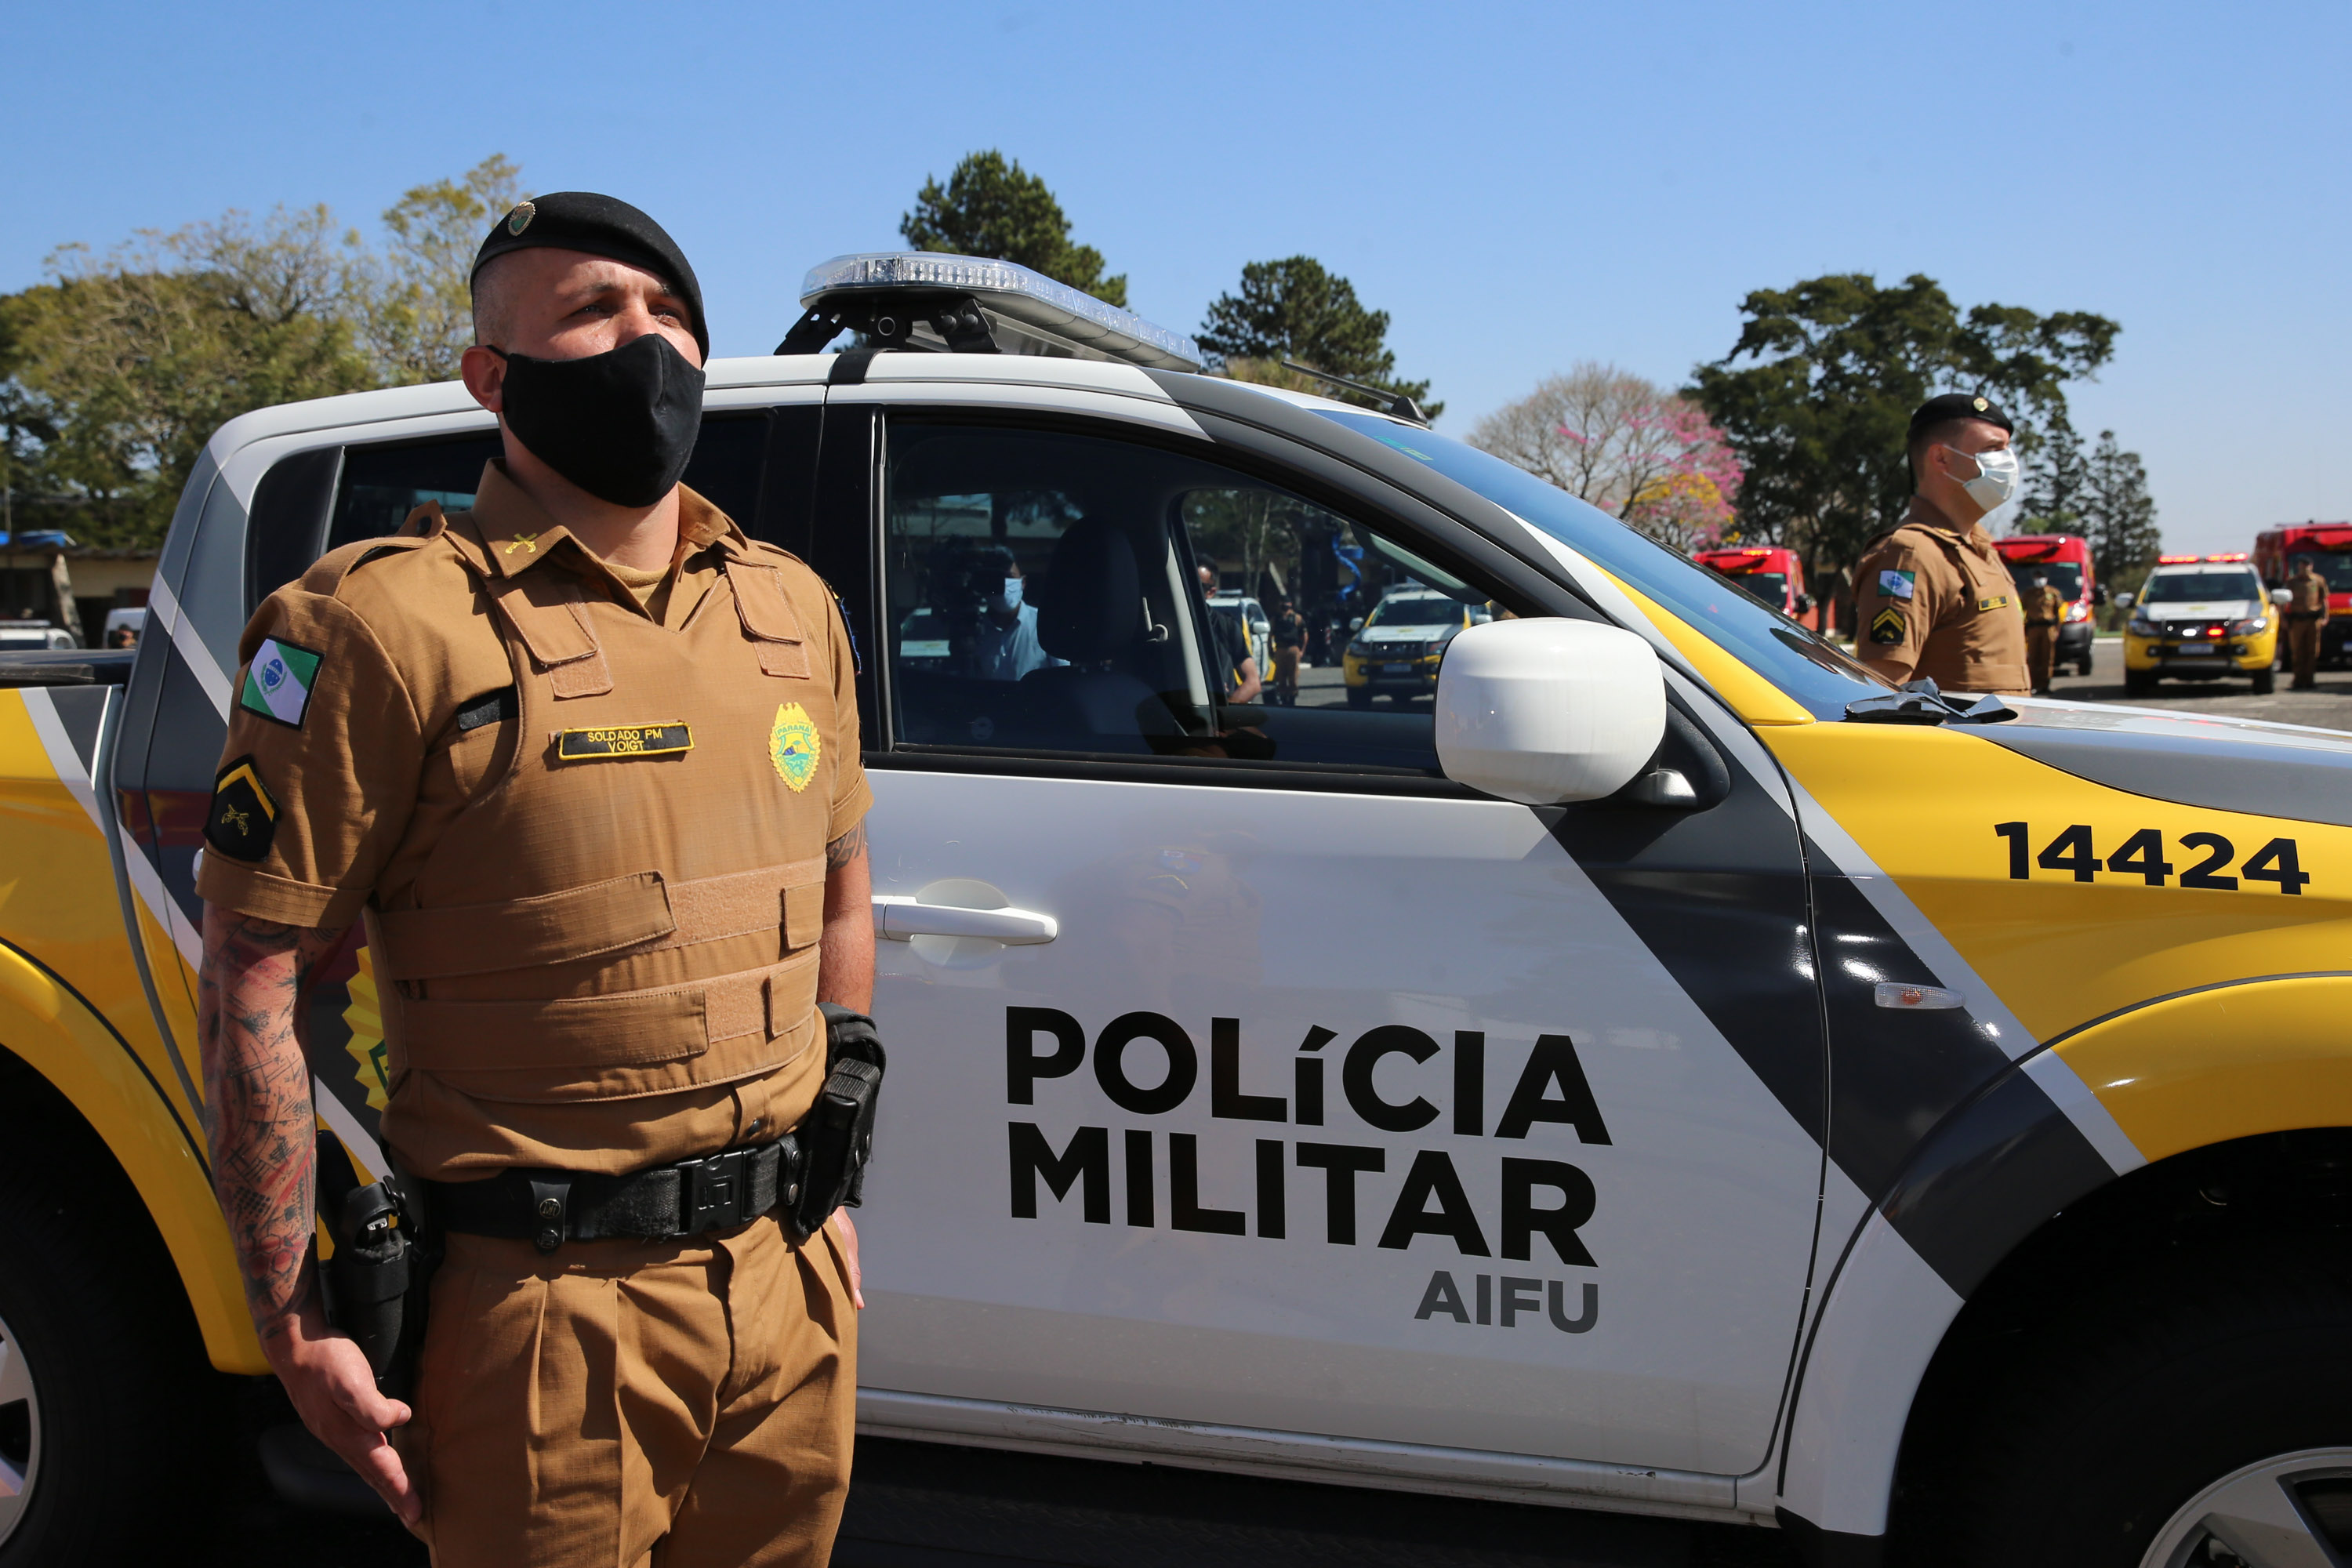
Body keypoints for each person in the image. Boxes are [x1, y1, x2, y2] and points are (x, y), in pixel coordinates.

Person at [193, 192, 872, 1568]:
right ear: (491, 377)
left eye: (670, 313)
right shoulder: (378, 625)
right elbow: (254, 974)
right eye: (594, 312)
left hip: (787, 1297)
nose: (647, 341)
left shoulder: (789, 606)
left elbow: (842, 899)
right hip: (548, 1311)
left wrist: (835, 1198)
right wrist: (291, 1319)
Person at [1850, 393, 2031, 695]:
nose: (2008, 462)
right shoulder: (1909, 555)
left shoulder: (1979, 548)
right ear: (1941, 458)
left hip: (2002, 741)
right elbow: (1883, 690)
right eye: (1992, 449)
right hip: (1956, 742)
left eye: (2007, 449)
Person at [965, 546, 1058, 681]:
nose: (1003, 584)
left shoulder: (1046, 624)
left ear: (1023, 583)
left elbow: (1063, 677)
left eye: (1009, 577)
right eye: (997, 578)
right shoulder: (972, 629)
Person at [1197, 563, 1261, 703]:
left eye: (1197, 585)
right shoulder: (1166, 625)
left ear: (1211, 592)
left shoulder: (1226, 626)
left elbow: (1253, 682)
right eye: (1185, 582)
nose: (1190, 589)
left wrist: (1225, 712)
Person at [2021, 570, 2066, 695]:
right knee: (2033, 657)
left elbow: (2059, 615)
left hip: (2048, 629)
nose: (2039, 580)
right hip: (2033, 629)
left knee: (2047, 657)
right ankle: (2033, 684)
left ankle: (2045, 685)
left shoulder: (2053, 593)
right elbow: (2022, 610)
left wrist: (2057, 630)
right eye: (2037, 577)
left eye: (2041, 577)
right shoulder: (2028, 594)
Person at [1270, 595, 1305, 705]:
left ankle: (1292, 699)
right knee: (1280, 677)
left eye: (1287, 604)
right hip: (1280, 649)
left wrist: (1302, 650)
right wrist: (1270, 650)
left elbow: (1304, 635)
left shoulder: (1297, 618)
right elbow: (1270, 635)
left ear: (1291, 605)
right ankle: (1283, 698)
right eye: (1283, 604)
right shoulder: (1275, 619)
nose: (1285, 606)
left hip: (1293, 649)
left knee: (1293, 677)